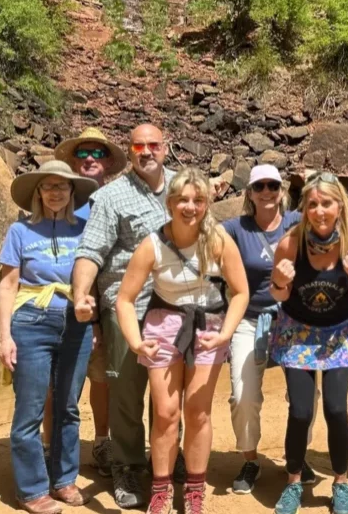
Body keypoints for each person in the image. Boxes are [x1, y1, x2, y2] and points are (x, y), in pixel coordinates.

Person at [116, 167, 250, 514]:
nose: (190, 207)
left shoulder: (218, 240)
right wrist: (134, 341)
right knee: (165, 414)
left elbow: (240, 292)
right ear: (171, 203)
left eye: (198, 200)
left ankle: (193, 490)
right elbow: (125, 299)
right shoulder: (153, 245)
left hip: (208, 328)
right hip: (163, 328)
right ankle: (160, 489)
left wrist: (225, 333)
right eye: (183, 200)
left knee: (198, 412)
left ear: (206, 204)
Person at [72, 124, 178, 509]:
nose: (146, 151)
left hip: (176, 306)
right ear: (130, 152)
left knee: (170, 391)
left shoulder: (183, 188)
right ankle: (127, 466)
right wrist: (82, 295)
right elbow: (91, 252)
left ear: (165, 148)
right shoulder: (111, 196)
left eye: (153, 145)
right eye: (139, 146)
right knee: (126, 395)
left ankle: (166, 459)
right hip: (126, 306)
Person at [0, 160, 99, 514]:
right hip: (30, 322)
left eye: (63, 186)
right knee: (30, 410)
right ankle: (31, 489)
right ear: (38, 192)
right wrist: (4, 337)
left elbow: (94, 282)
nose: (56, 192)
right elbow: (8, 285)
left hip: (76, 324)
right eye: (48, 186)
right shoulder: (19, 231)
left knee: (68, 406)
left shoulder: (86, 229)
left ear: (73, 192)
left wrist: (95, 325)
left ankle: (63, 480)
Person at [268, 172, 348, 514]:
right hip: (297, 331)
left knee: (336, 409)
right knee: (300, 411)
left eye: (326, 203)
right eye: (312, 204)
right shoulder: (290, 243)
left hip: (340, 332)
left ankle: (340, 482)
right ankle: (294, 482)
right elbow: (277, 294)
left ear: (339, 204)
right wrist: (281, 283)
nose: (320, 210)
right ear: (305, 208)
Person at [221, 164, 319, 494]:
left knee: (306, 395)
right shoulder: (236, 228)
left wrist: (312, 184)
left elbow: (328, 221)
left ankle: (298, 456)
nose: (267, 192)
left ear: (282, 192)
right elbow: (203, 238)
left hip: (293, 320)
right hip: (250, 319)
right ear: (249, 193)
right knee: (242, 395)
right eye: (259, 186)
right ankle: (250, 459)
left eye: (273, 186)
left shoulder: (295, 222)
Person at [51, 126, 128, 476]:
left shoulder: (117, 198)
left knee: (102, 377)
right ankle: (51, 446)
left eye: (98, 153)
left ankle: (101, 441)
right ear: (73, 160)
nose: (91, 159)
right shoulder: (60, 196)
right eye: (84, 153)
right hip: (61, 305)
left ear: (109, 162)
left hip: (106, 307)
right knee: (58, 382)